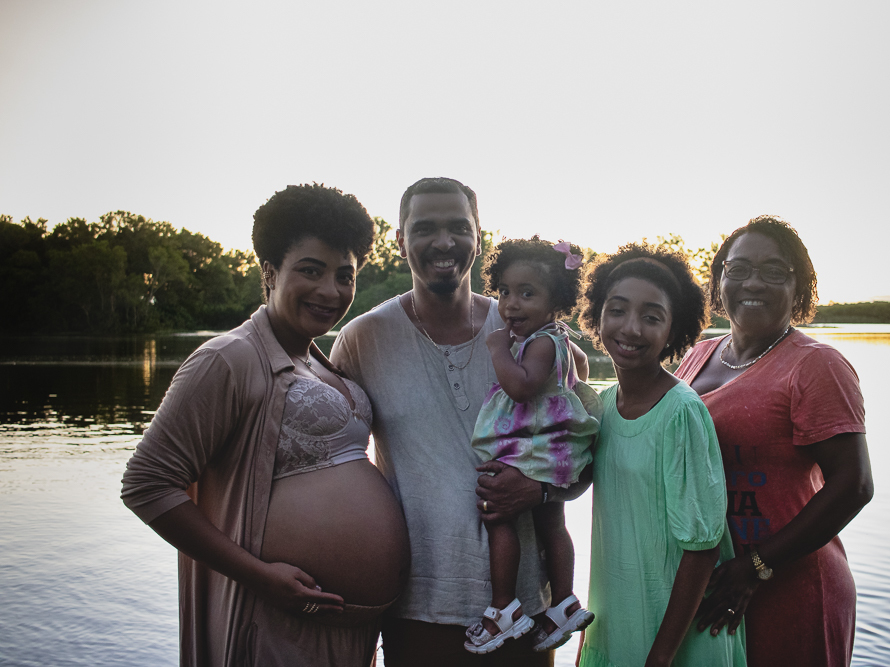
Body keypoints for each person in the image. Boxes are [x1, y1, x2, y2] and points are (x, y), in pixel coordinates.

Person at [121, 184, 409, 667]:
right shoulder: (227, 358)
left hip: (348, 633)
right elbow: (146, 484)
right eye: (310, 271)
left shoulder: (321, 362)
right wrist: (257, 575)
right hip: (271, 623)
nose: (330, 291)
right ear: (270, 272)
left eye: (345, 275)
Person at [331, 177, 586, 666]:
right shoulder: (362, 340)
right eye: (425, 228)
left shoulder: (535, 335)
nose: (443, 242)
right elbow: (331, 464)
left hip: (526, 607)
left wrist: (543, 492)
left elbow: (586, 446)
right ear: (400, 238)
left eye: (458, 227)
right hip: (416, 604)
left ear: (478, 236)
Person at [674, 215, 874, 666]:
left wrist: (757, 566)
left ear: (798, 286)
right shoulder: (698, 355)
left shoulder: (816, 366)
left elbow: (855, 485)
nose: (754, 283)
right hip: (711, 585)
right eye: (739, 268)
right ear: (719, 278)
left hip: (790, 587)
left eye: (773, 271)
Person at [575, 244, 747, 667]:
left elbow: (702, 548)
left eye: (651, 317)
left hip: (672, 638)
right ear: (598, 316)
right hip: (618, 621)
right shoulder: (604, 405)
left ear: (673, 331)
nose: (631, 328)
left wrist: (661, 656)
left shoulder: (682, 412)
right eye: (617, 310)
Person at [464, 238, 601, 654]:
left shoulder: (542, 343)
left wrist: (497, 350)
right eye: (504, 291)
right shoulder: (558, 338)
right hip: (551, 448)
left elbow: (521, 388)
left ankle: (503, 608)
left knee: (497, 515)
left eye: (527, 293)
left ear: (555, 300)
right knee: (551, 523)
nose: (511, 305)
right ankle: (563, 602)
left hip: (532, 448)